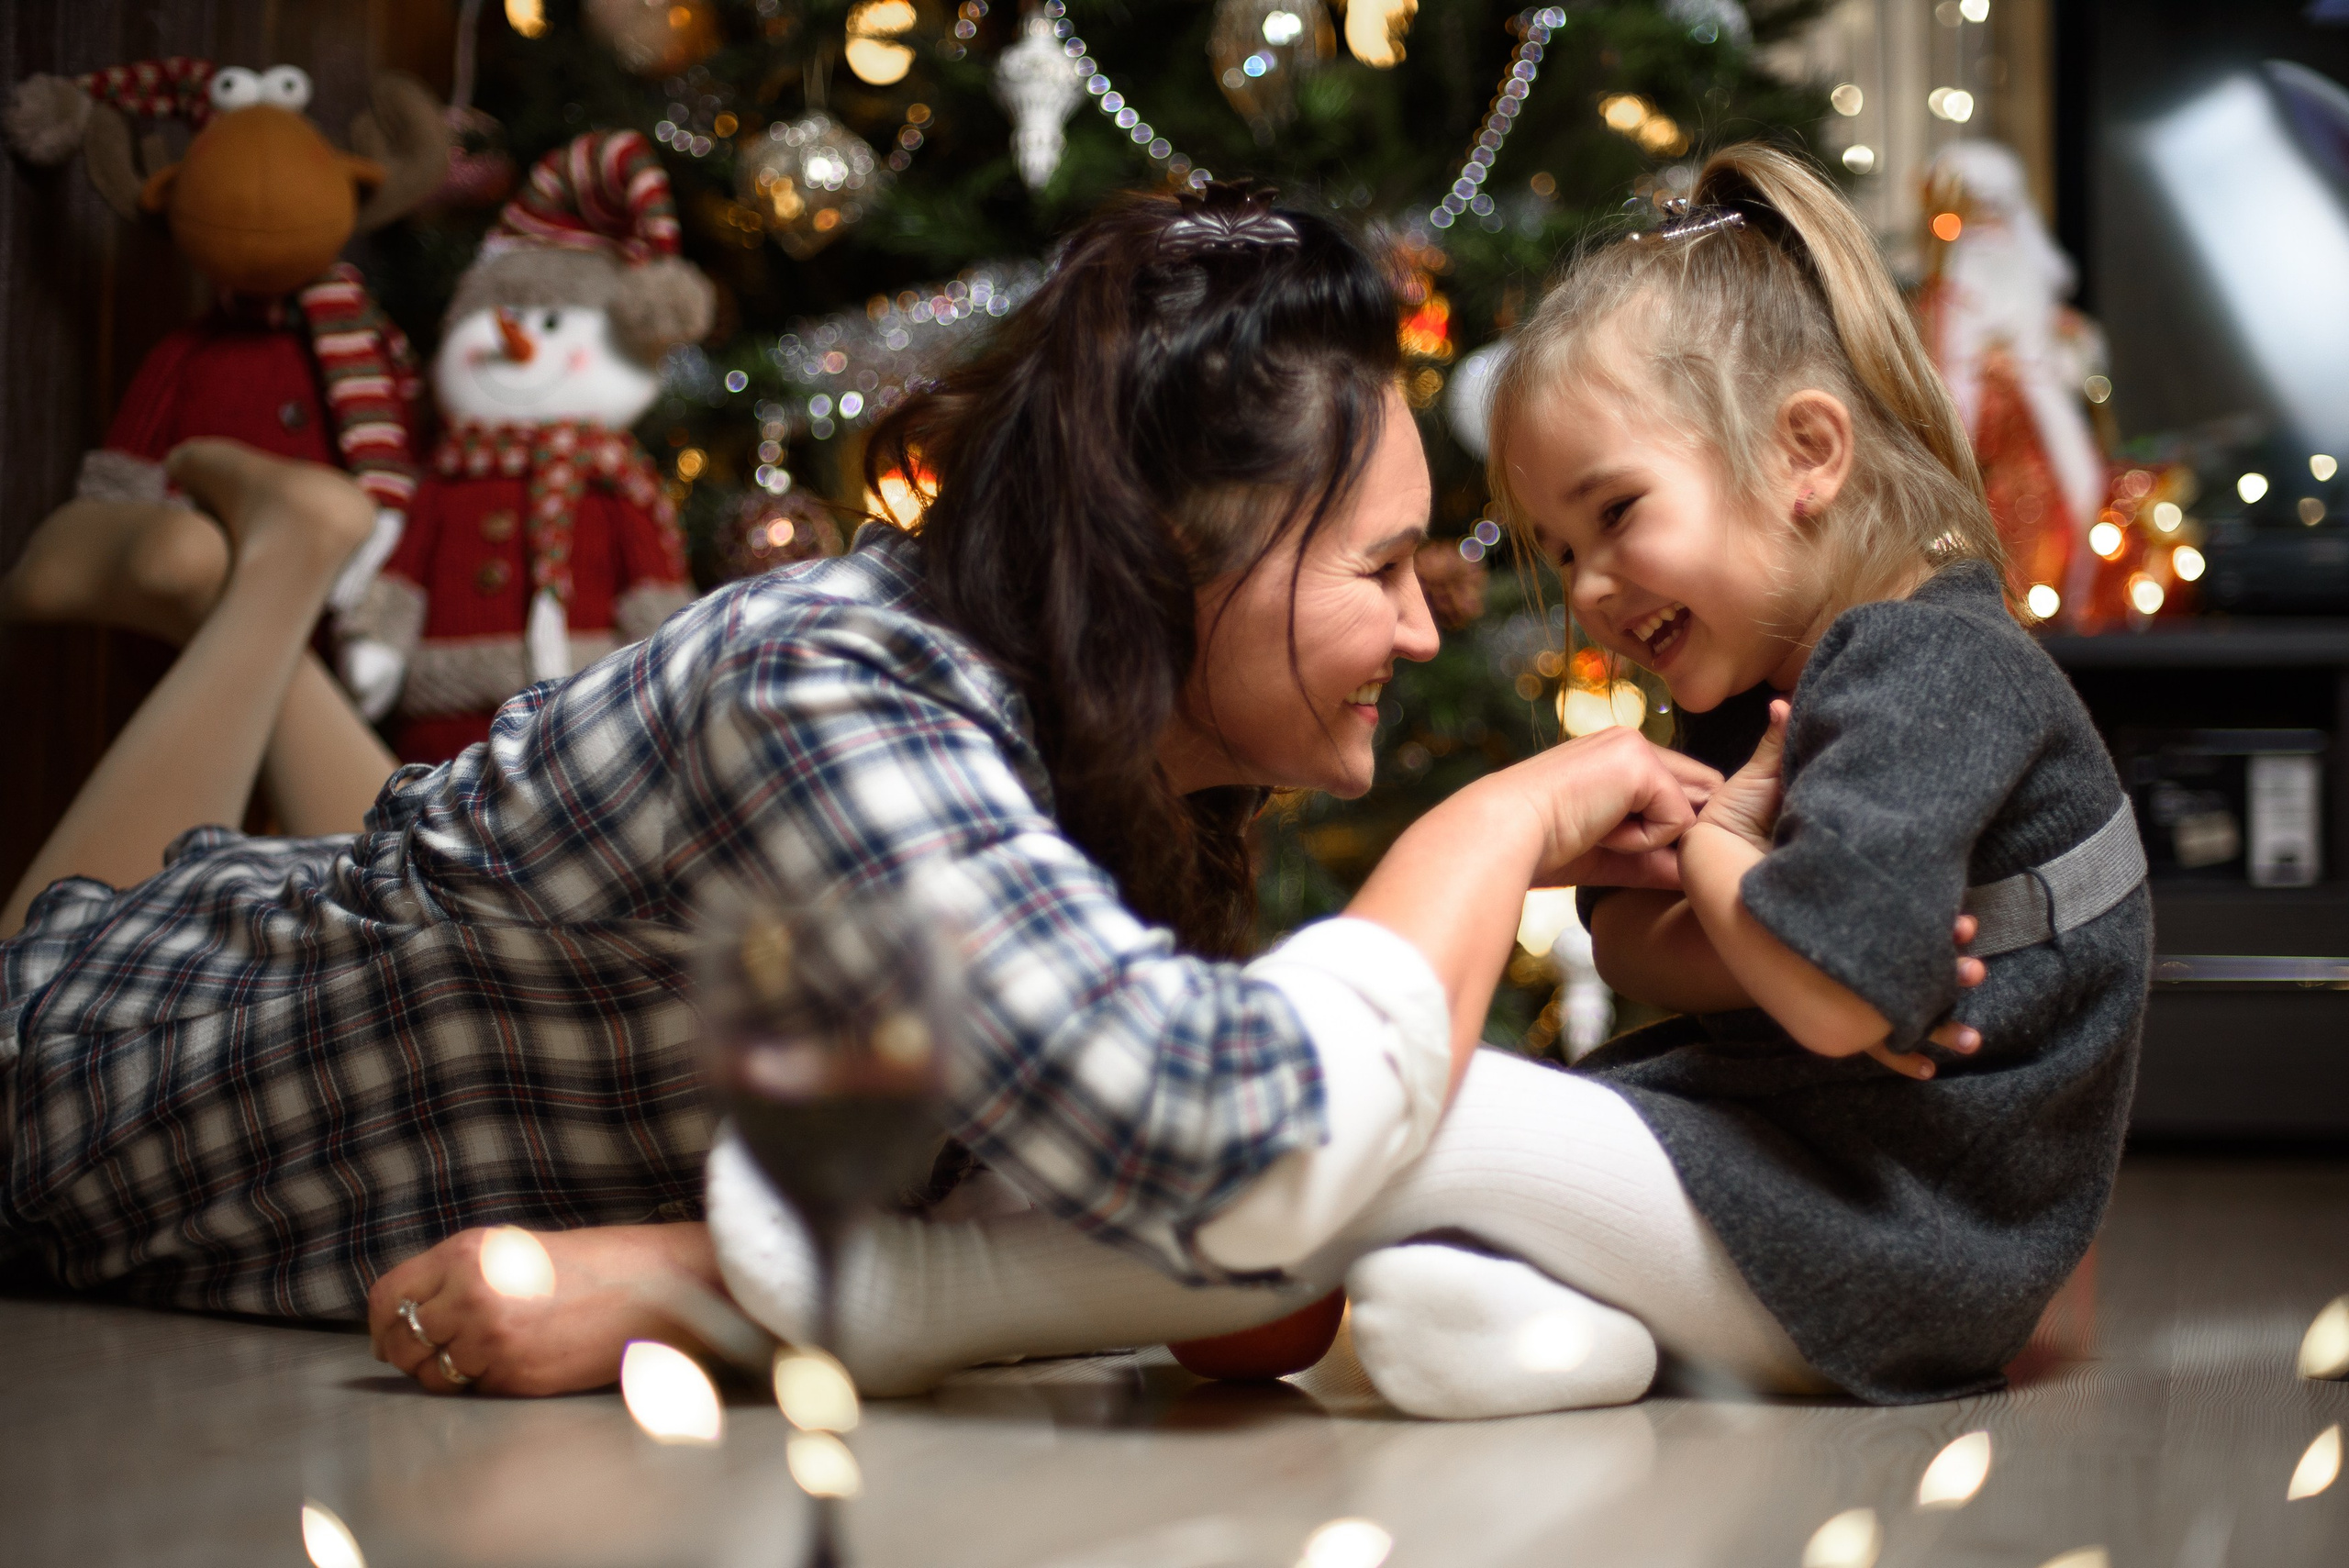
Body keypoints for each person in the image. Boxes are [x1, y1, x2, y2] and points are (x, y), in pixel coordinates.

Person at [0, 185, 1718, 1396]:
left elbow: (1146, 1263)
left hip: (315, 971)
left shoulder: (1118, 776)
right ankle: (276, 574)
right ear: (1174, 551)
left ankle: (262, 586)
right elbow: (1223, 1154)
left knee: (361, 874)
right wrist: (1503, 823)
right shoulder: (835, 681)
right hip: (55, 1104)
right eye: (1382, 568)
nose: (1426, 628)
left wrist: (683, 1275)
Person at [697, 144, 2145, 1418]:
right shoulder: (1795, 683)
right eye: (1556, 548)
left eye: (1616, 513)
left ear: (1808, 451)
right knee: (1426, 1263)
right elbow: (1672, 952)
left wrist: (1741, 846)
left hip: (1892, 1239)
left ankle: (925, 1298)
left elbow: (1832, 988)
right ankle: (1551, 1338)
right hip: (1820, 1216)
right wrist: (1725, 886)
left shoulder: (1924, 665)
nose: (1584, 587)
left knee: (1414, 1113)